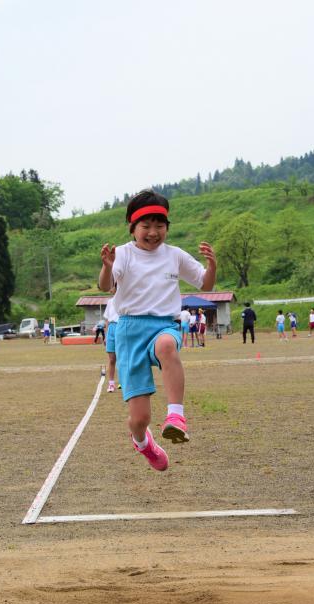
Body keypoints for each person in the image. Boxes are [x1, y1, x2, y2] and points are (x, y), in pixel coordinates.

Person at [98, 189, 216, 471]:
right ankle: (143, 443)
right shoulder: (123, 255)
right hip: (129, 332)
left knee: (166, 346)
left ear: (167, 227)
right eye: (146, 226)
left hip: (163, 324)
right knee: (139, 419)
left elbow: (206, 285)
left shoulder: (174, 255)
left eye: (159, 226)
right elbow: (106, 287)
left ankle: (176, 417)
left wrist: (212, 265)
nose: (153, 233)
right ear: (133, 228)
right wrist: (107, 267)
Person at [104, 293, 119, 392]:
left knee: (123, 358)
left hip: (123, 325)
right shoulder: (110, 301)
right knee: (112, 358)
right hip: (112, 328)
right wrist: (106, 335)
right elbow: (107, 320)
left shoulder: (127, 298)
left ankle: (124, 383)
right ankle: (111, 384)